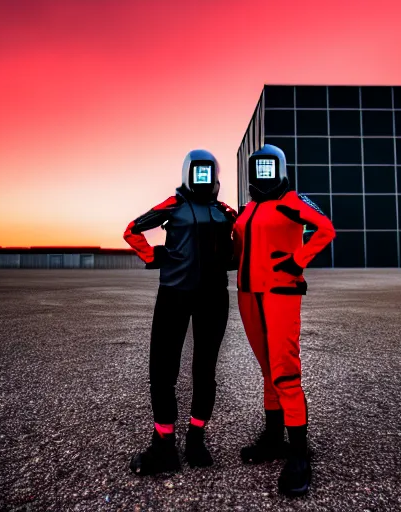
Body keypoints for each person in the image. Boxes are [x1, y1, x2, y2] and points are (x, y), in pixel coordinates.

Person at [123, 149, 237, 476]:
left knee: (205, 372)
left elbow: (243, 236)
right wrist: (153, 255)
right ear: (189, 172)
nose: (204, 179)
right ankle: (164, 445)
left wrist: (234, 257)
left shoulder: (224, 211)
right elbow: (132, 229)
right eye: (198, 173)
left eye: (208, 173)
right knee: (163, 371)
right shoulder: (173, 205)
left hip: (214, 298)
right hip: (174, 295)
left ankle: (196, 439)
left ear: (215, 175)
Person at [233, 144, 336, 496]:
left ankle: (298, 454)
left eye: (269, 167)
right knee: (267, 370)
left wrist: (298, 260)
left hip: (280, 294)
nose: (263, 174)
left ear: (280, 168)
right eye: (258, 168)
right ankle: (274, 438)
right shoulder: (246, 209)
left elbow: (325, 229)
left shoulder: (294, 200)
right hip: (247, 295)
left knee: (285, 372)